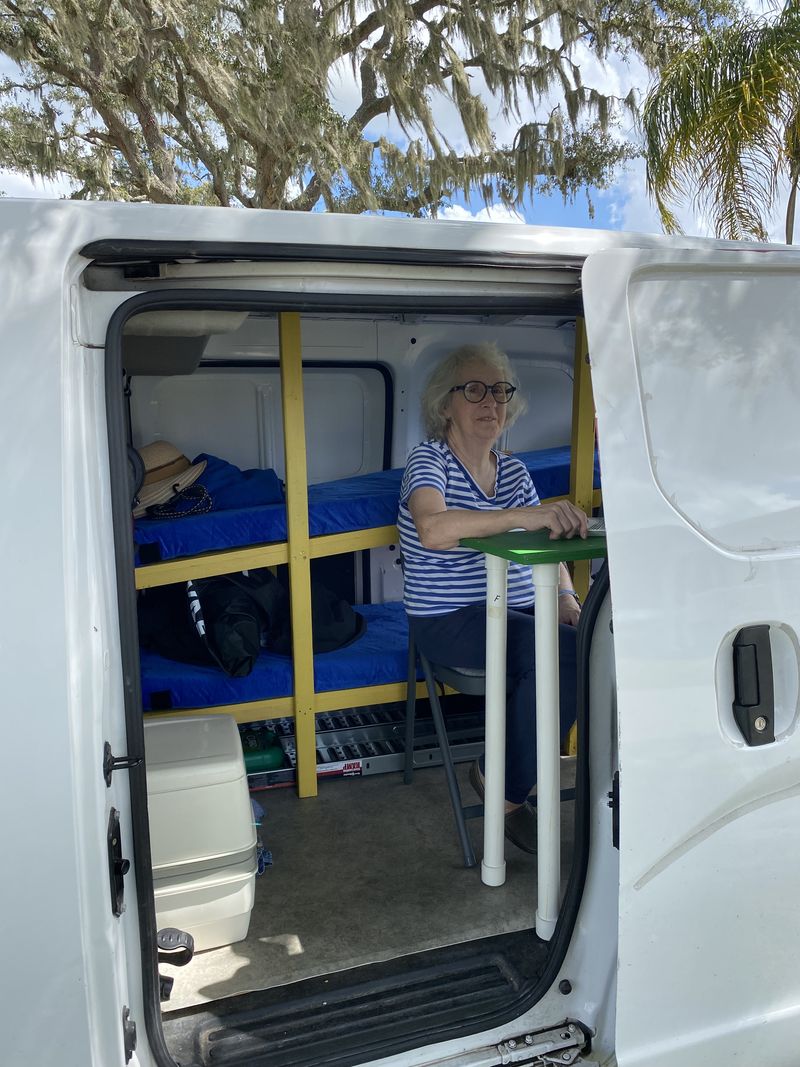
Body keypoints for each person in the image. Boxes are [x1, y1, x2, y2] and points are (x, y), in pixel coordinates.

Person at [398, 342, 587, 854]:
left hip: (522, 608)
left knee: (596, 638)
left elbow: (549, 552)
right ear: (445, 405)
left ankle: (582, 785)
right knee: (568, 656)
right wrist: (524, 516)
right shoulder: (428, 462)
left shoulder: (514, 473)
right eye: (474, 390)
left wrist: (568, 598)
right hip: (453, 620)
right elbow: (434, 529)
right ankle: (502, 790)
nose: (491, 403)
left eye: (500, 392)